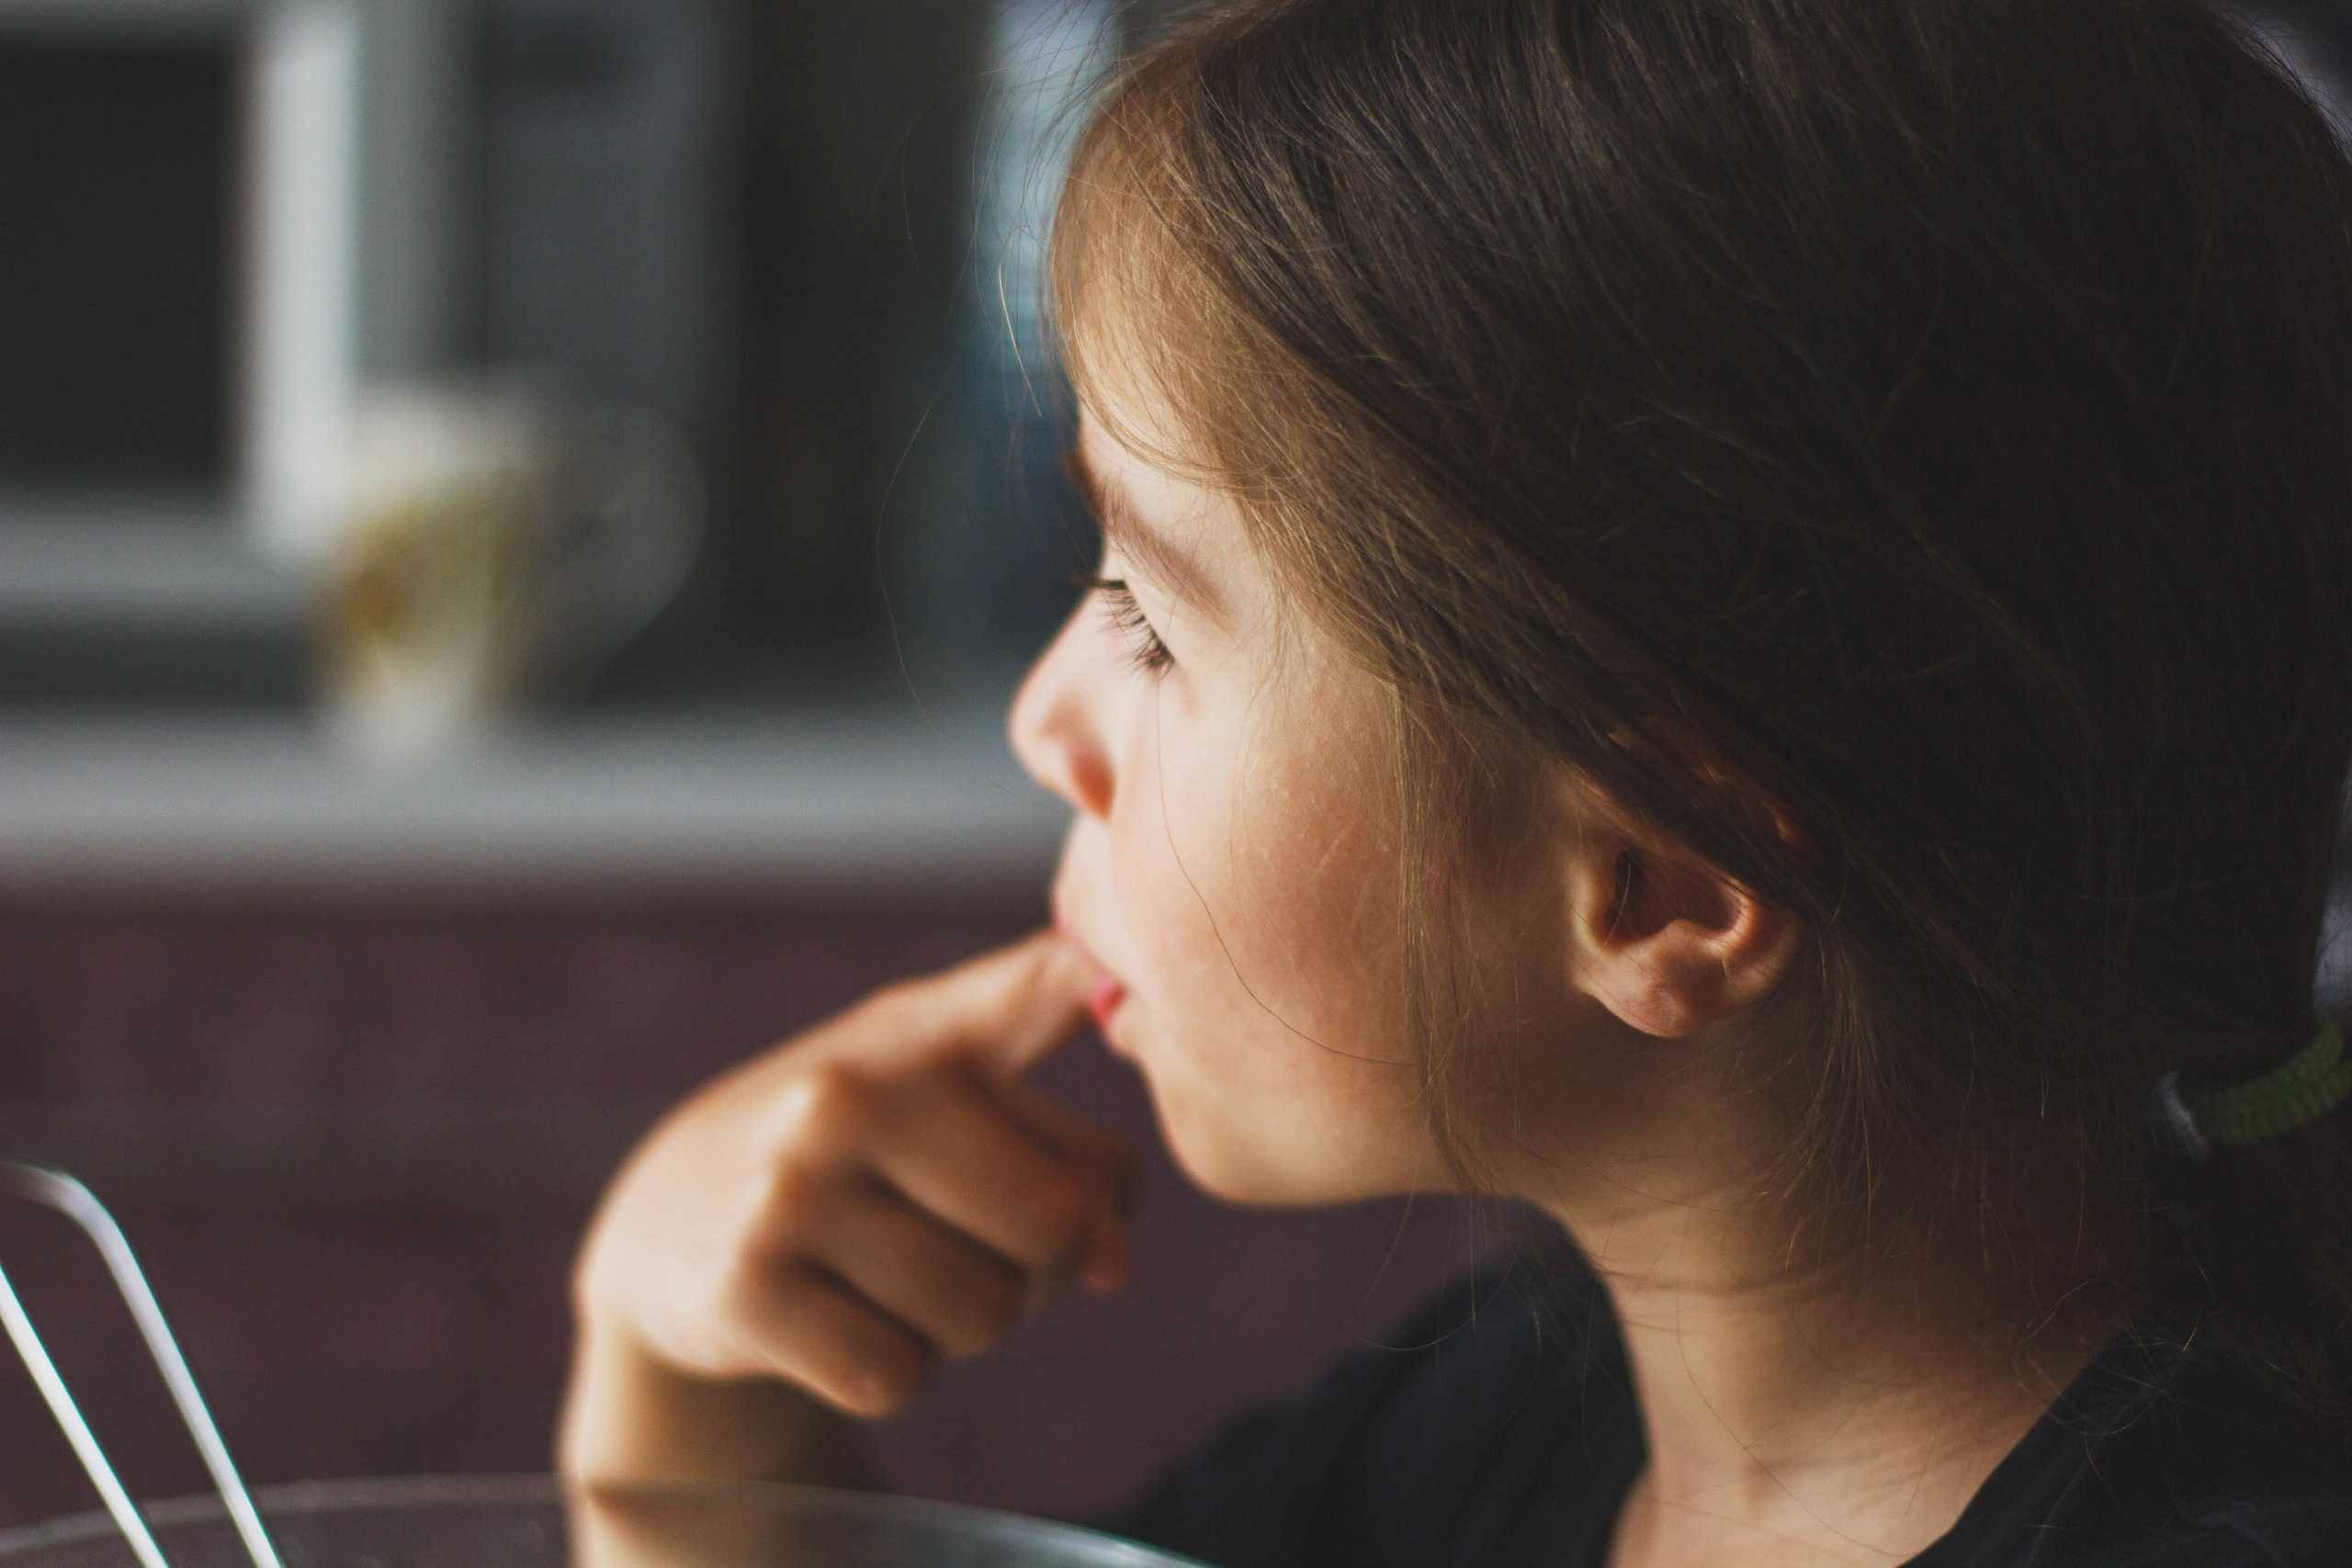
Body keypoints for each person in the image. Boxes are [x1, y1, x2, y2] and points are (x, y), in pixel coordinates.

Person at [557, 0, 2352, 1562]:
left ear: (1659, 880)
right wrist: (689, 1408)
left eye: (1149, 618)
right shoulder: (1500, 1437)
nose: (1046, 717)